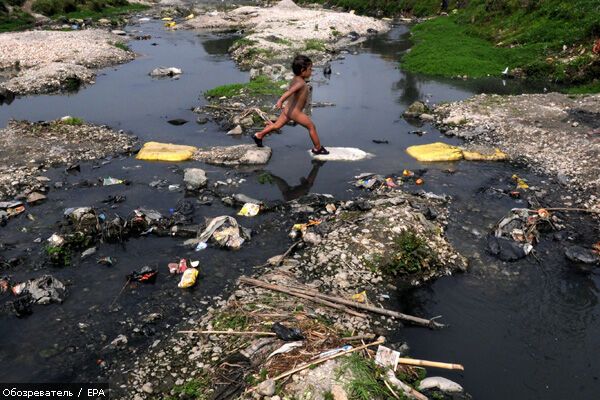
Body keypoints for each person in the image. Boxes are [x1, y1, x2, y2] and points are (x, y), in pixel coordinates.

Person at [252, 55, 329, 155]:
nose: (311, 71)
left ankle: (259, 135)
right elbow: (289, 92)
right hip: (295, 112)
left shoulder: (295, 79)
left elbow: (292, 92)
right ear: (302, 70)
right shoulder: (300, 83)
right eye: (310, 69)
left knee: (276, 126)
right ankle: (318, 148)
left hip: (288, 109)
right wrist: (280, 100)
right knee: (311, 127)